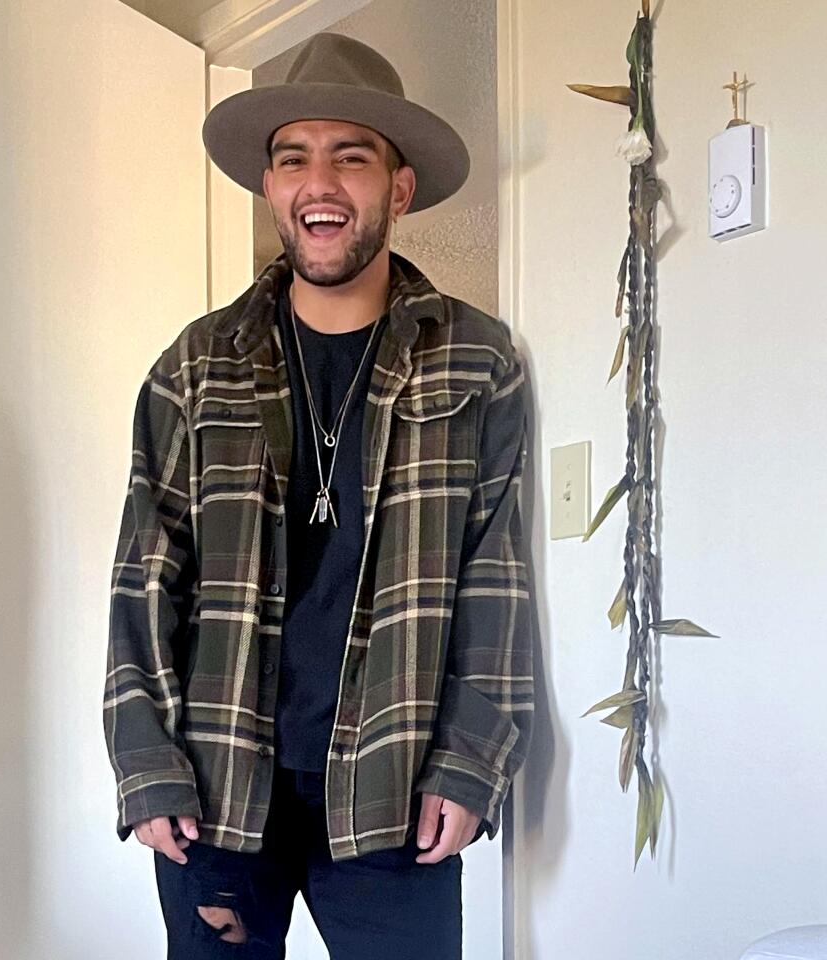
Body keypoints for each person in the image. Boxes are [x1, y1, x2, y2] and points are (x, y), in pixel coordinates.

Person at [103, 31, 533, 960]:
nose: (320, 183)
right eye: (294, 158)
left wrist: (471, 763)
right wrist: (145, 762)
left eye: (352, 156)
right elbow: (143, 579)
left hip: (395, 792)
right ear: (271, 188)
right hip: (217, 788)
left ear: (399, 187)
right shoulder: (193, 366)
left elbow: (495, 580)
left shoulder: (477, 360)